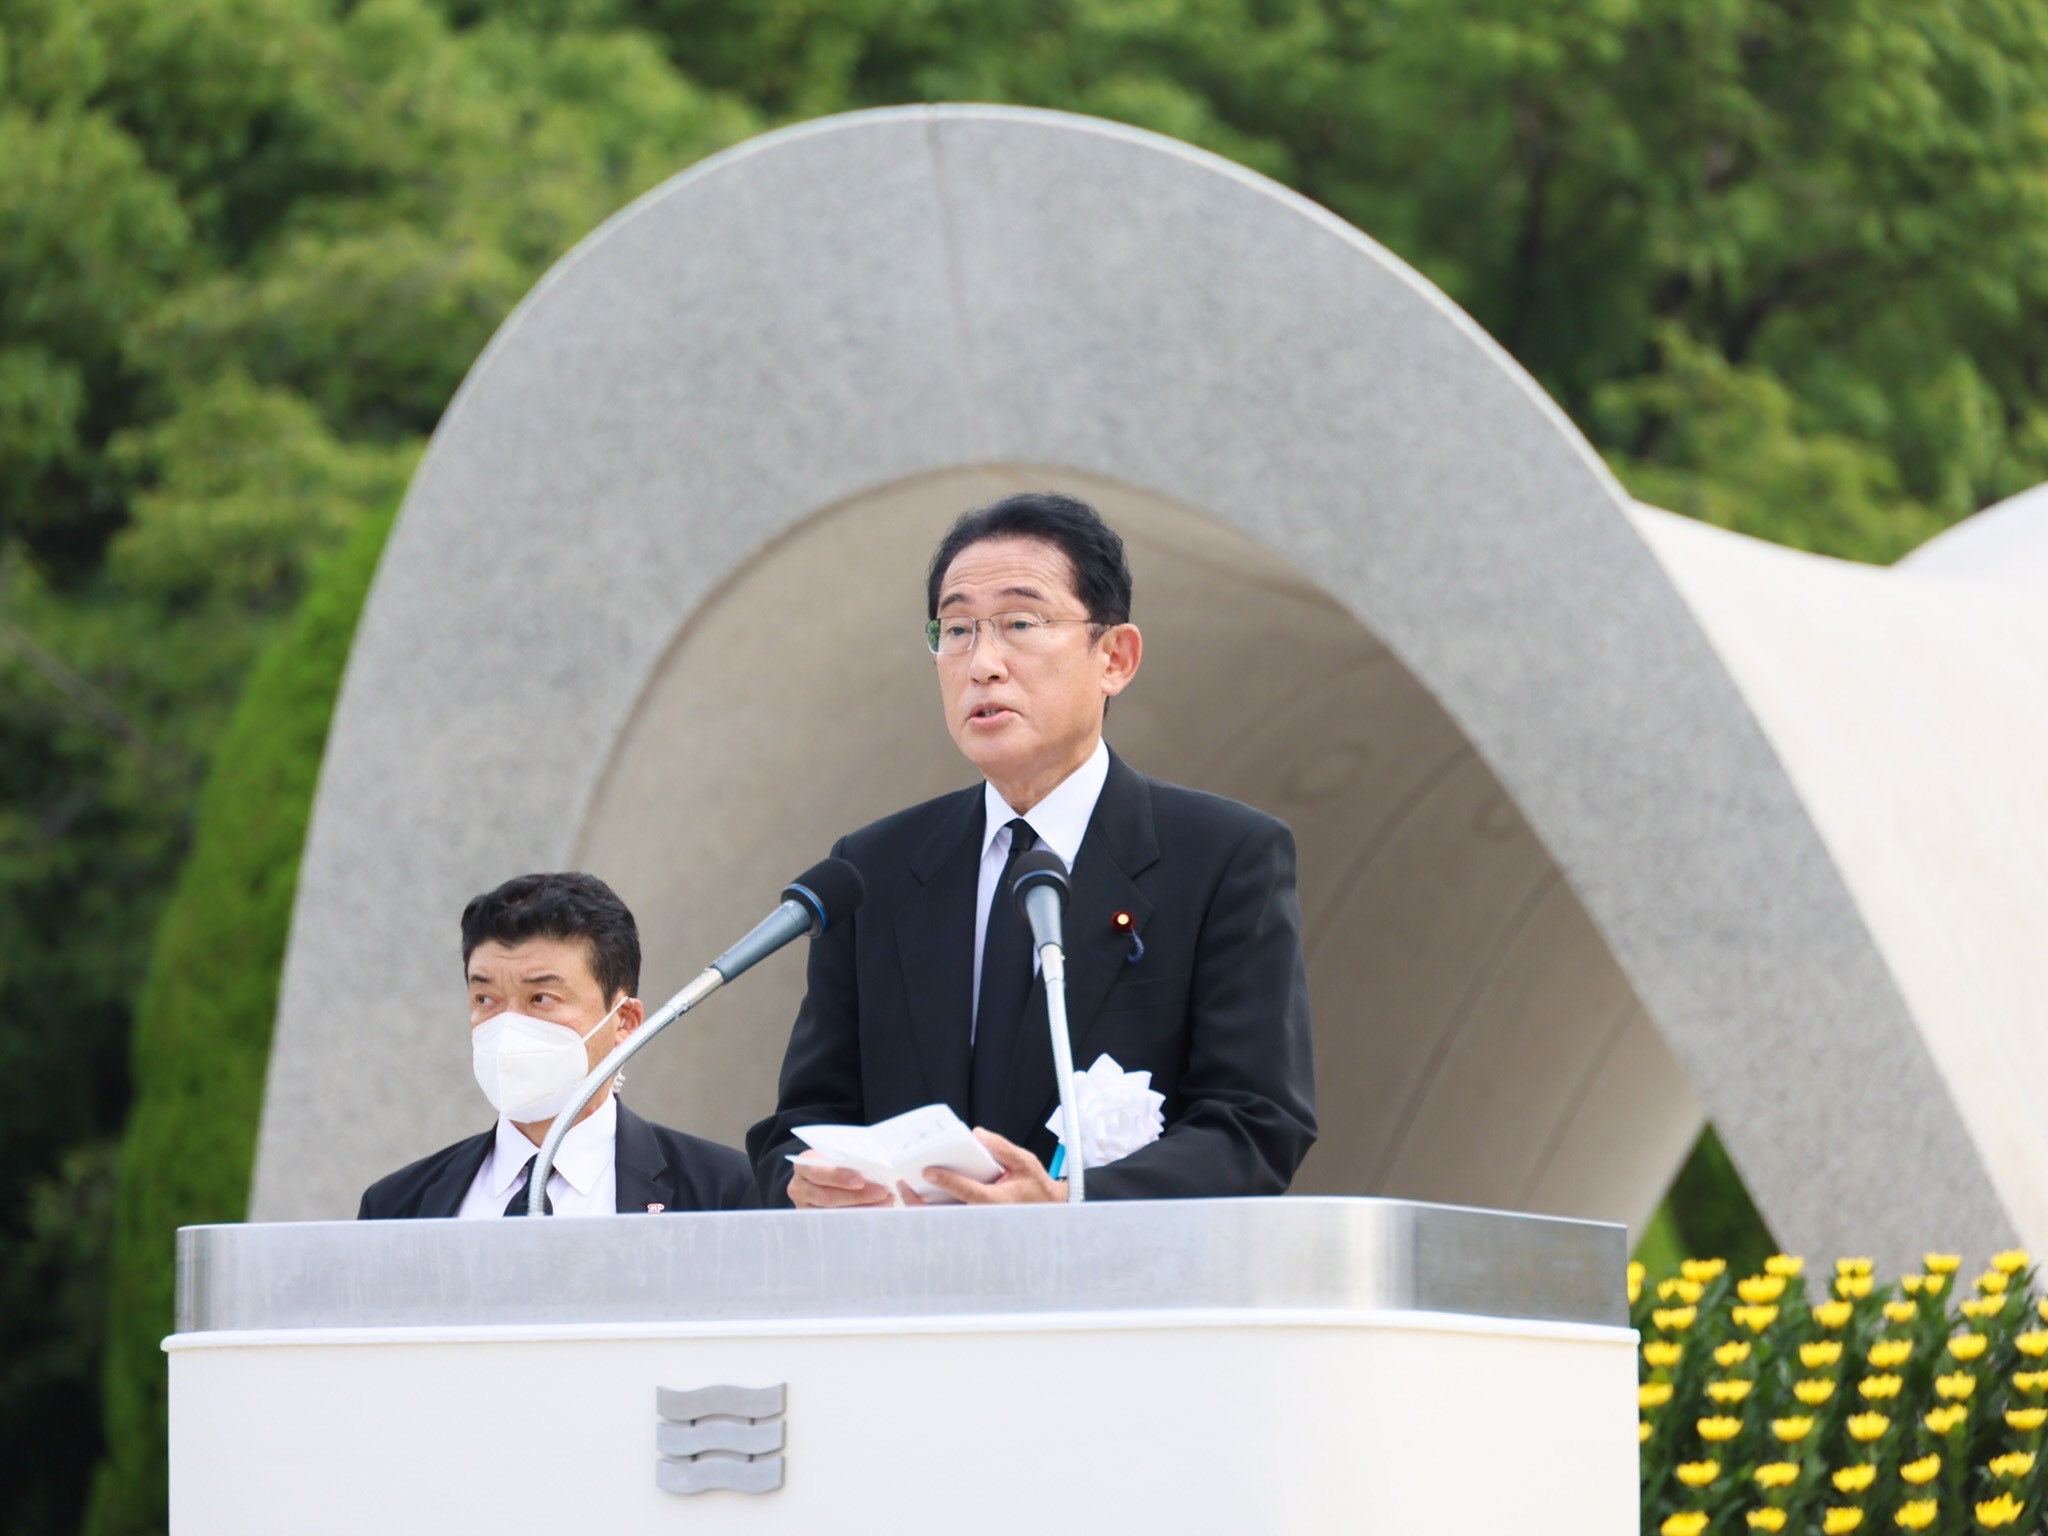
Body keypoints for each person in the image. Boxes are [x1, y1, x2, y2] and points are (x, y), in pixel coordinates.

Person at [747, 492, 1316, 1207]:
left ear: (1115, 658)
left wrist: (1067, 1204)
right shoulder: (872, 870)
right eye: (957, 630)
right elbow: (801, 1125)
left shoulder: (1222, 857)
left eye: (1020, 623)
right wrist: (807, 1184)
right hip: (912, 1272)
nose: (982, 664)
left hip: (1113, 1273)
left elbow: (1256, 1125)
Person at [359, 871, 756, 1218]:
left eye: (541, 998)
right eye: (486, 999)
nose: (509, 1025)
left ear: (624, 1021)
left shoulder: (722, 1192)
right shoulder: (397, 1205)